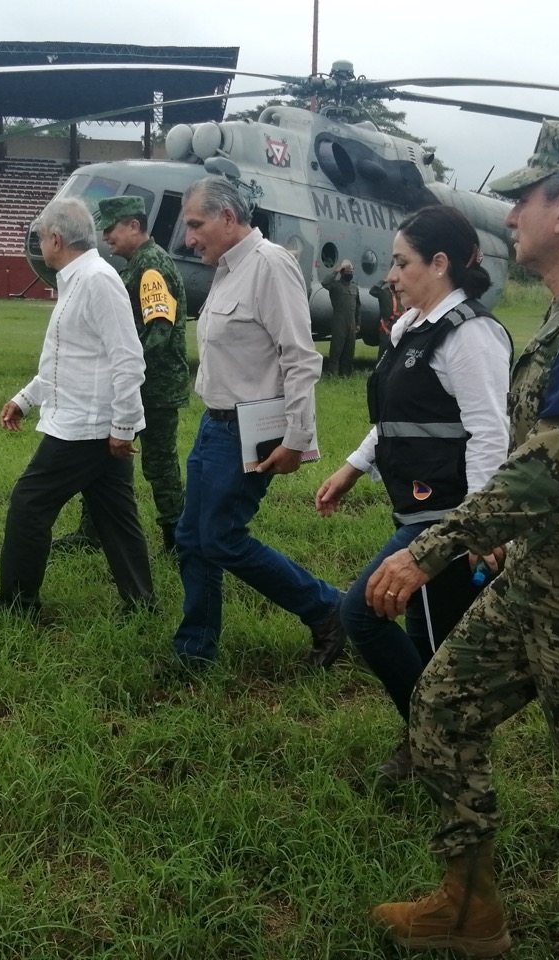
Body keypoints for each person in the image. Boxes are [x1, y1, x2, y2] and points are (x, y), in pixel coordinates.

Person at [366, 121, 559, 960]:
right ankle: (470, 913)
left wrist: (430, 548)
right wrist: (502, 542)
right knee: (442, 709)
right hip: (537, 580)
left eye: (521, 200)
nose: (507, 218)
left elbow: (547, 469)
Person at [314, 206, 512, 784]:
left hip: (444, 518)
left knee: (368, 614)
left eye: (402, 262)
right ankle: (433, 744)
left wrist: (480, 527)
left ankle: (431, 745)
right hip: (418, 510)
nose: (392, 275)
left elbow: (489, 433)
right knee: (426, 639)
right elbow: (397, 418)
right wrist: (353, 467)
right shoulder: (413, 328)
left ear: (440, 263)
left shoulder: (470, 334)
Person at [170, 175, 345, 670]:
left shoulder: (270, 266)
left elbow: (300, 358)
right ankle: (194, 650)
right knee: (192, 538)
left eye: (196, 224)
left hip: (249, 428)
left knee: (222, 537)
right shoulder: (227, 268)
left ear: (229, 218)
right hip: (215, 424)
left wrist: (296, 438)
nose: (190, 238)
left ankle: (329, 608)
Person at [0, 197, 153, 620]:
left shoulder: (97, 280)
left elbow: (127, 358)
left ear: (55, 238)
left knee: (29, 505)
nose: (39, 246)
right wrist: (25, 398)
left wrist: (123, 425)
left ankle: (18, 604)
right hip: (93, 421)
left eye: (40, 238)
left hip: (87, 426)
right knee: (115, 515)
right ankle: (141, 604)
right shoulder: (77, 279)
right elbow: (68, 357)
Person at [56, 196, 190, 555]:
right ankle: (93, 530)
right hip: (134, 386)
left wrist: (123, 370)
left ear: (133, 225)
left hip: (154, 389)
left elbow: (159, 330)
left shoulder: (151, 268)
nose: (105, 236)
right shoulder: (137, 265)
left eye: (111, 228)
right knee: (102, 460)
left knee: (159, 465)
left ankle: (177, 540)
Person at [322, 258, 362, 377]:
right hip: (339, 321)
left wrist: (358, 323)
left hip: (352, 322)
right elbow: (325, 283)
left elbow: (358, 306)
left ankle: (346, 373)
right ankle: (332, 373)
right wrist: (337, 269)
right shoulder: (335, 286)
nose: (350, 274)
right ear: (342, 272)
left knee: (349, 349)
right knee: (336, 348)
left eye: (351, 271)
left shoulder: (354, 288)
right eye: (347, 271)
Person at [369, 277, 405, 352]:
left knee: (398, 353)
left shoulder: (404, 294)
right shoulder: (385, 293)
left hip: (400, 328)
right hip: (387, 329)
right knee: (383, 352)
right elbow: (373, 291)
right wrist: (383, 281)